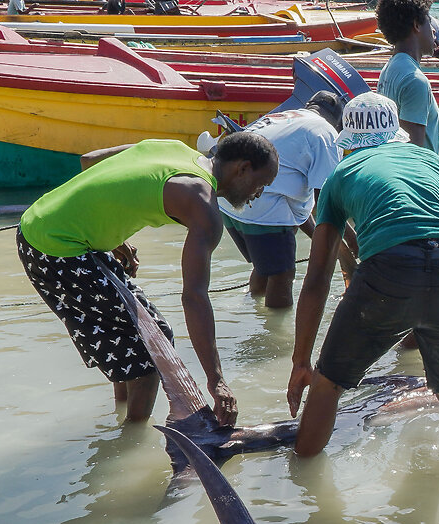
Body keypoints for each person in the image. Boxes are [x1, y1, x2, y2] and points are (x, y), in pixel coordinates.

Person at [17, 134, 278, 425]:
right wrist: (216, 380)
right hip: (56, 250)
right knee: (152, 349)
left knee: (137, 337)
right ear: (242, 169)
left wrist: (110, 233)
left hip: (37, 223)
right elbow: (194, 296)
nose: (259, 193)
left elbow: (89, 161)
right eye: (261, 183)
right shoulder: (203, 203)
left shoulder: (173, 147)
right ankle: (130, 439)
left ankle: (120, 416)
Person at [287, 93, 439, 457]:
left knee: (327, 386)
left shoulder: (341, 174)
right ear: (396, 132)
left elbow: (317, 280)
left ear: (348, 139)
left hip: (389, 271)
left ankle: (299, 494)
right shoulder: (432, 161)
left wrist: (301, 362)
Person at [219, 91, 344, 308]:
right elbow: (327, 201)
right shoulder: (326, 133)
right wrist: (345, 250)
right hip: (259, 203)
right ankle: (276, 333)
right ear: (337, 121)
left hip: (229, 201)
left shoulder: (286, 117)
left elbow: (300, 205)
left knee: (264, 266)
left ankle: (251, 309)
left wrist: (324, 240)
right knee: (282, 274)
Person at [375, 0, 439, 154]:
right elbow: (412, 154)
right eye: (429, 23)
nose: (433, 31)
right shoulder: (415, 80)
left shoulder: (389, 68)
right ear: (416, 25)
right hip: (421, 175)